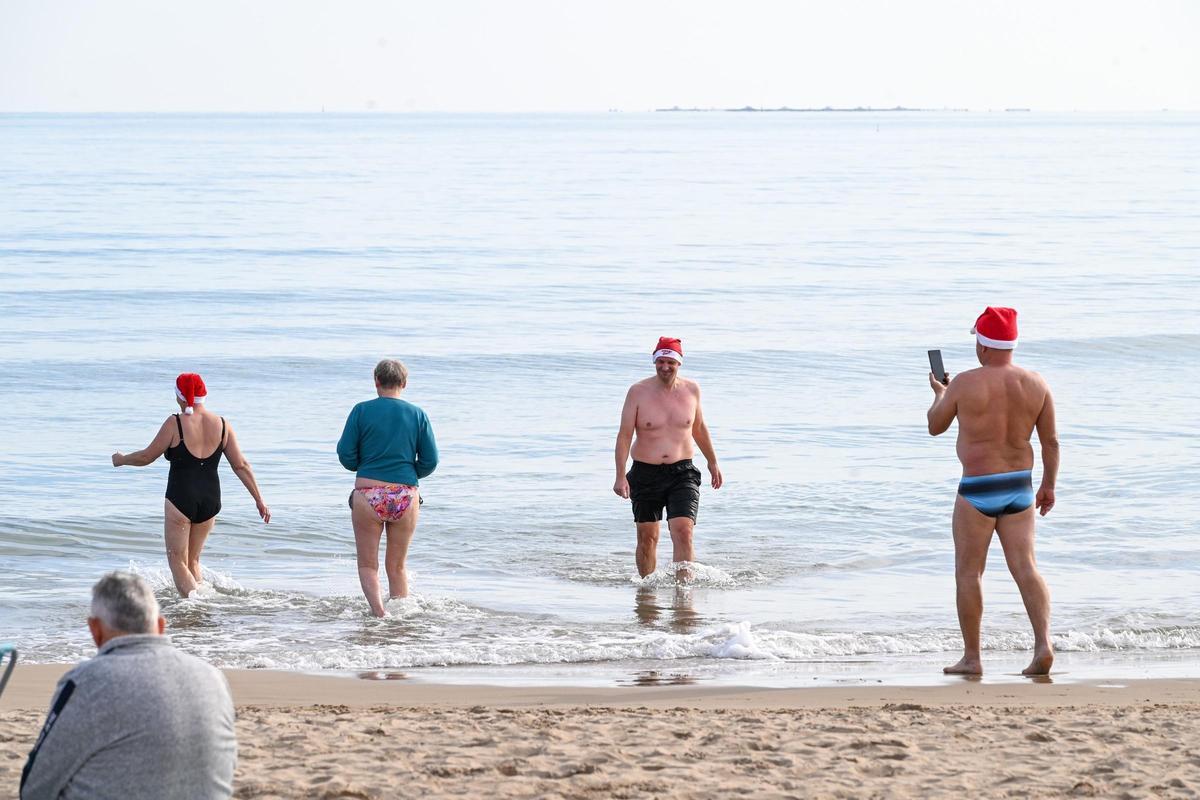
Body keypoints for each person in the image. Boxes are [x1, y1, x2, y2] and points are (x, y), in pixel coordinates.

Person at [20, 571, 237, 799]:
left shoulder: (85, 683)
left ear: (95, 629)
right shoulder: (212, 677)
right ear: (161, 625)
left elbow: (35, 787)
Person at [927, 307, 1059, 676]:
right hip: (1019, 486)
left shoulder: (963, 384)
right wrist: (1048, 485)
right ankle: (1043, 645)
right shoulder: (1036, 383)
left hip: (977, 488)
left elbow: (935, 426)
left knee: (969, 574)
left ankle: (972, 658)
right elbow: (1051, 442)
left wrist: (940, 393)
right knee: (1026, 568)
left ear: (983, 345)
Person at [112, 373, 270, 597]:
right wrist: (259, 500)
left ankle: (195, 606)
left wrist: (122, 459)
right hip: (210, 500)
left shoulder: (175, 423)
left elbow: (147, 457)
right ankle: (202, 606)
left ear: (180, 397)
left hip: (180, 499)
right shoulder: (222, 424)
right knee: (193, 561)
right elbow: (241, 465)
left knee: (177, 562)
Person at [614, 337, 723, 581]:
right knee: (647, 538)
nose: (665, 367)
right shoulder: (637, 392)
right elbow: (624, 436)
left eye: (670, 362)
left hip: (682, 472)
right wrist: (620, 475)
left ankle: (683, 595)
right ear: (654, 361)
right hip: (645, 473)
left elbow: (699, 428)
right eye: (660, 361)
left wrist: (712, 461)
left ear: (679, 363)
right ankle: (647, 594)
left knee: (684, 531)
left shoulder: (692, 390)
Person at [337, 358, 439, 617]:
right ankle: (401, 618)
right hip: (406, 495)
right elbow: (430, 460)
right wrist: (408, 474)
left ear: (376, 381)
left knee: (368, 565)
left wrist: (365, 467)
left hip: (368, 494)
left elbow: (345, 455)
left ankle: (380, 613)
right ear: (404, 383)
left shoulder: (361, 410)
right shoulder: (418, 414)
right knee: (397, 567)